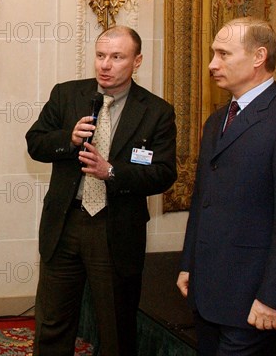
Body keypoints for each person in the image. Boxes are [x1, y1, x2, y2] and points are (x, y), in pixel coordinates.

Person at [177, 17, 276, 355]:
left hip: (253, 299)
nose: (212, 64)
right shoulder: (217, 119)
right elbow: (203, 199)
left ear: (259, 56)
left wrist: (274, 298)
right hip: (208, 291)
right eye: (212, 54)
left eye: (223, 54)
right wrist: (189, 263)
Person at [26, 25, 177, 356]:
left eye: (117, 57)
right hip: (65, 224)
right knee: (52, 323)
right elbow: (35, 142)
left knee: (115, 329)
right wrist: (68, 138)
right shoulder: (66, 95)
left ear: (137, 61)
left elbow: (164, 174)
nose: (105, 65)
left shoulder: (156, 112)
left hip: (115, 227)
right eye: (100, 56)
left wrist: (111, 171)